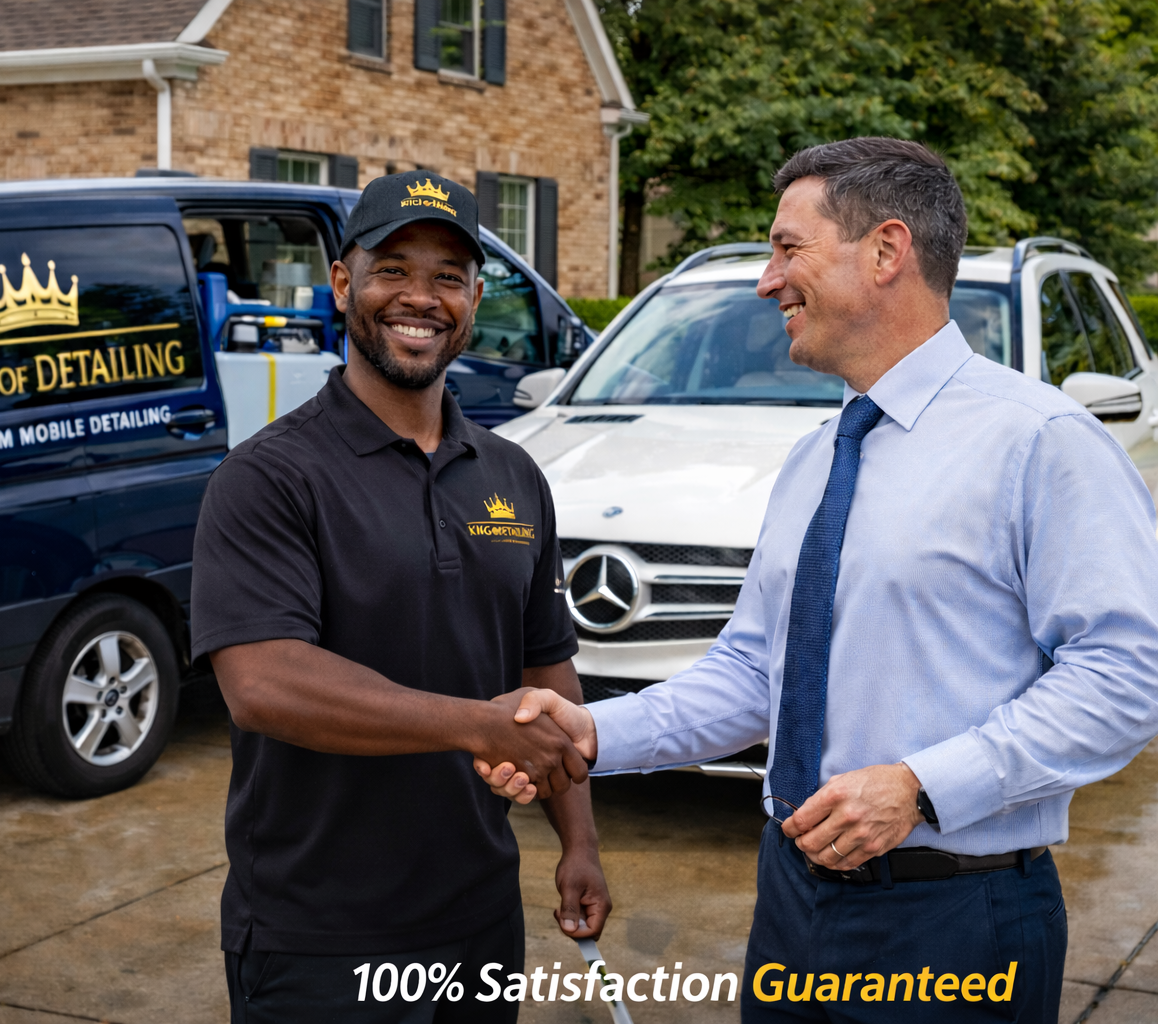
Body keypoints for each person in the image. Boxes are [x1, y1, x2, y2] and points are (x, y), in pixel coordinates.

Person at [479, 138, 1158, 1022]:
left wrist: (921, 785)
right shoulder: (815, 459)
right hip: (792, 902)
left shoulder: (1040, 442)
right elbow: (755, 674)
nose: (767, 281)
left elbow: (1125, 677)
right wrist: (590, 732)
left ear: (886, 250)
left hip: (954, 918)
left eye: (787, 248)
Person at [190, 170, 612, 1023]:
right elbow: (264, 685)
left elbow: (546, 673)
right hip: (319, 932)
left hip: (478, 918)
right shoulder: (269, 477)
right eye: (393, 269)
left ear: (475, 298)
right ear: (343, 283)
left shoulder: (513, 475)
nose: (420, 297)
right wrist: (473, 724)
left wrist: (580, 842)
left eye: (448, 276)